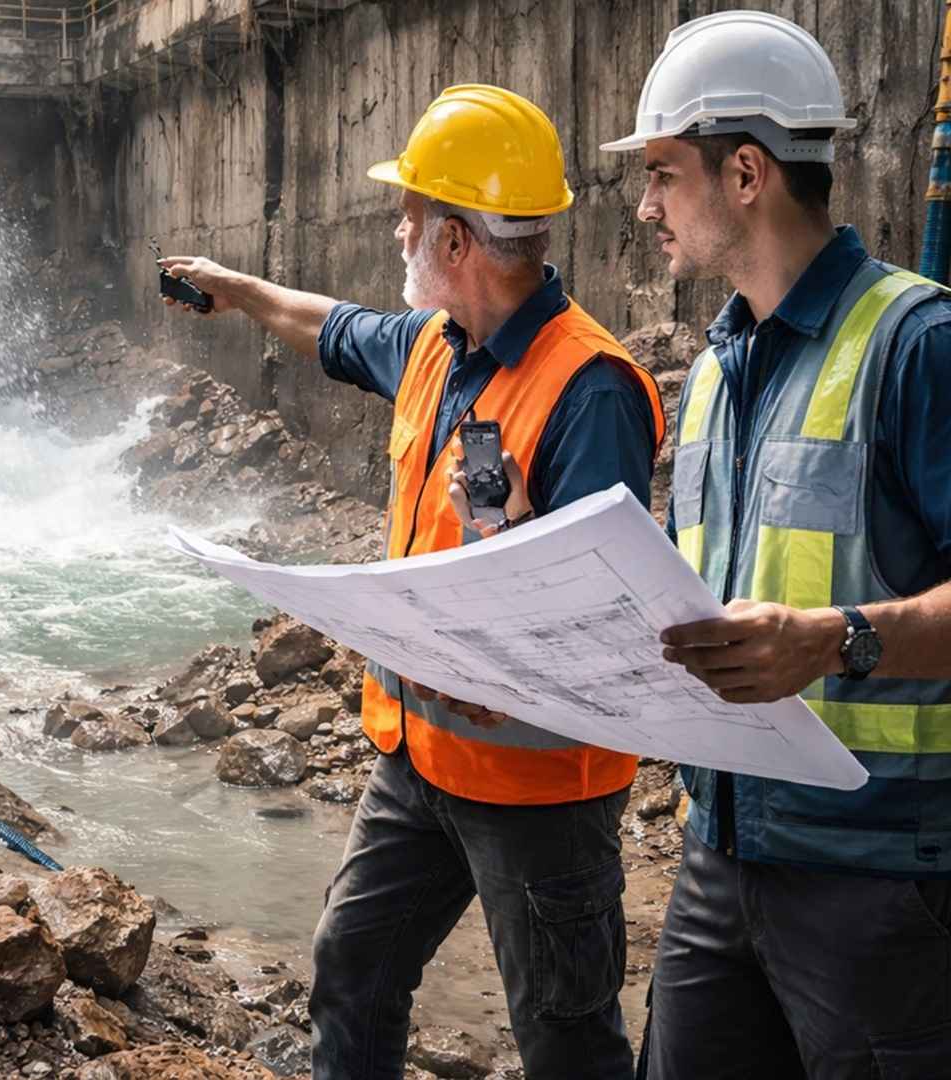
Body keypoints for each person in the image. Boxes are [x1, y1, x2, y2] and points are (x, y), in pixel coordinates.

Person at [600, 12, 951, 1078]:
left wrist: (839, 639)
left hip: (893, 876)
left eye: (662, 174)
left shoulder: (927, 346)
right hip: (727, 847)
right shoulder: (722, 367)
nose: (645, 206)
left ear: (743, 173)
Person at [161, 85, 665, 1079]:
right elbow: (333, 326)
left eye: (411, 215)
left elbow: (608, 621)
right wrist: (239, 290)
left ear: (453, 244)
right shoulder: (436, 347)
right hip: (420, 763)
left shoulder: (589, 388)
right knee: (352, 967)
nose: (396, 229)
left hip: (537, 794)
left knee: (564, 1037)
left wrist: (517, 539)